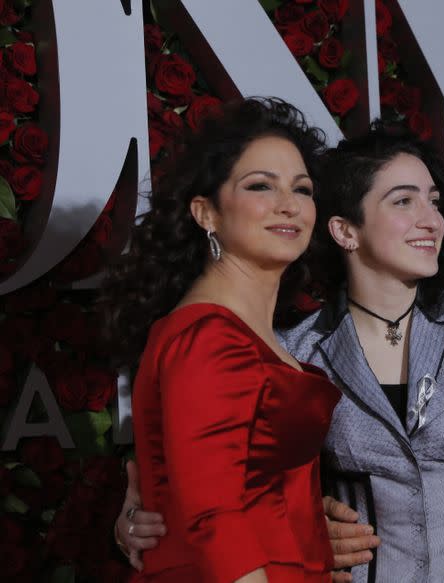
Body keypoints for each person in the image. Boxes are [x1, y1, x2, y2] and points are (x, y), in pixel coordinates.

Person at [115, 125, 444, 583]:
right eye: (404, 201)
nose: (431, 219)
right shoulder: (294, 345)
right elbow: (214, 500)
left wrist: (301, 526)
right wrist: (139, 517)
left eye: (434, 202)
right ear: (344, 230)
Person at [102, 97, 339, 582]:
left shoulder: (242, 329)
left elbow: (251, 482)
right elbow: (215, 520)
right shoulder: (208, 336)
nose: (288, 204)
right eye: (260, 186)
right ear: (206, 212)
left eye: (302, 188)